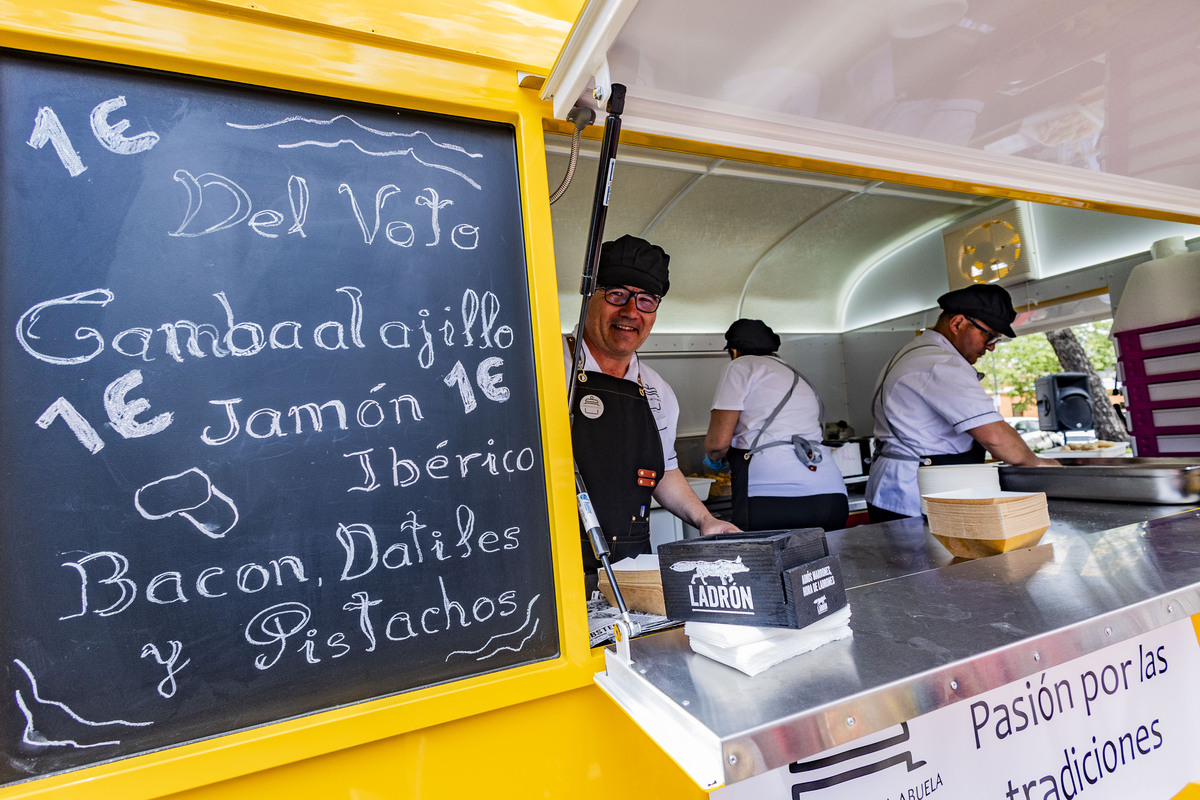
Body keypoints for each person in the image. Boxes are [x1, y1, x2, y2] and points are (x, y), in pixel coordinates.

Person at [568, 235, 739, 573]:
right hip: (556, 560)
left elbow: (665, 470)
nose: (631, 312)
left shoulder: (657, 389)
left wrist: (706, 520)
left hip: (633, 563)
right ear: (589, 298)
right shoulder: (547, 367)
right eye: (617, 295)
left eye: (646, 300)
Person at [865, 283, 1059, 523]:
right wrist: (1040, 465)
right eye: (988, 335)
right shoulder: (941, 363)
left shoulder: (914, 352)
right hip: (915, 496)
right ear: (957, 323)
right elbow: (995, 437)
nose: (990, 348)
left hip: (897, 489)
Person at [704, 319, 849, 533]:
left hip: (772, 499)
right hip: (831, 497)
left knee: (766, 564)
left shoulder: (740, 366)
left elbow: (718, 443)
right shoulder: (795, 374)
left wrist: (713, 458)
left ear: (734, 351)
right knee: (820, 565)